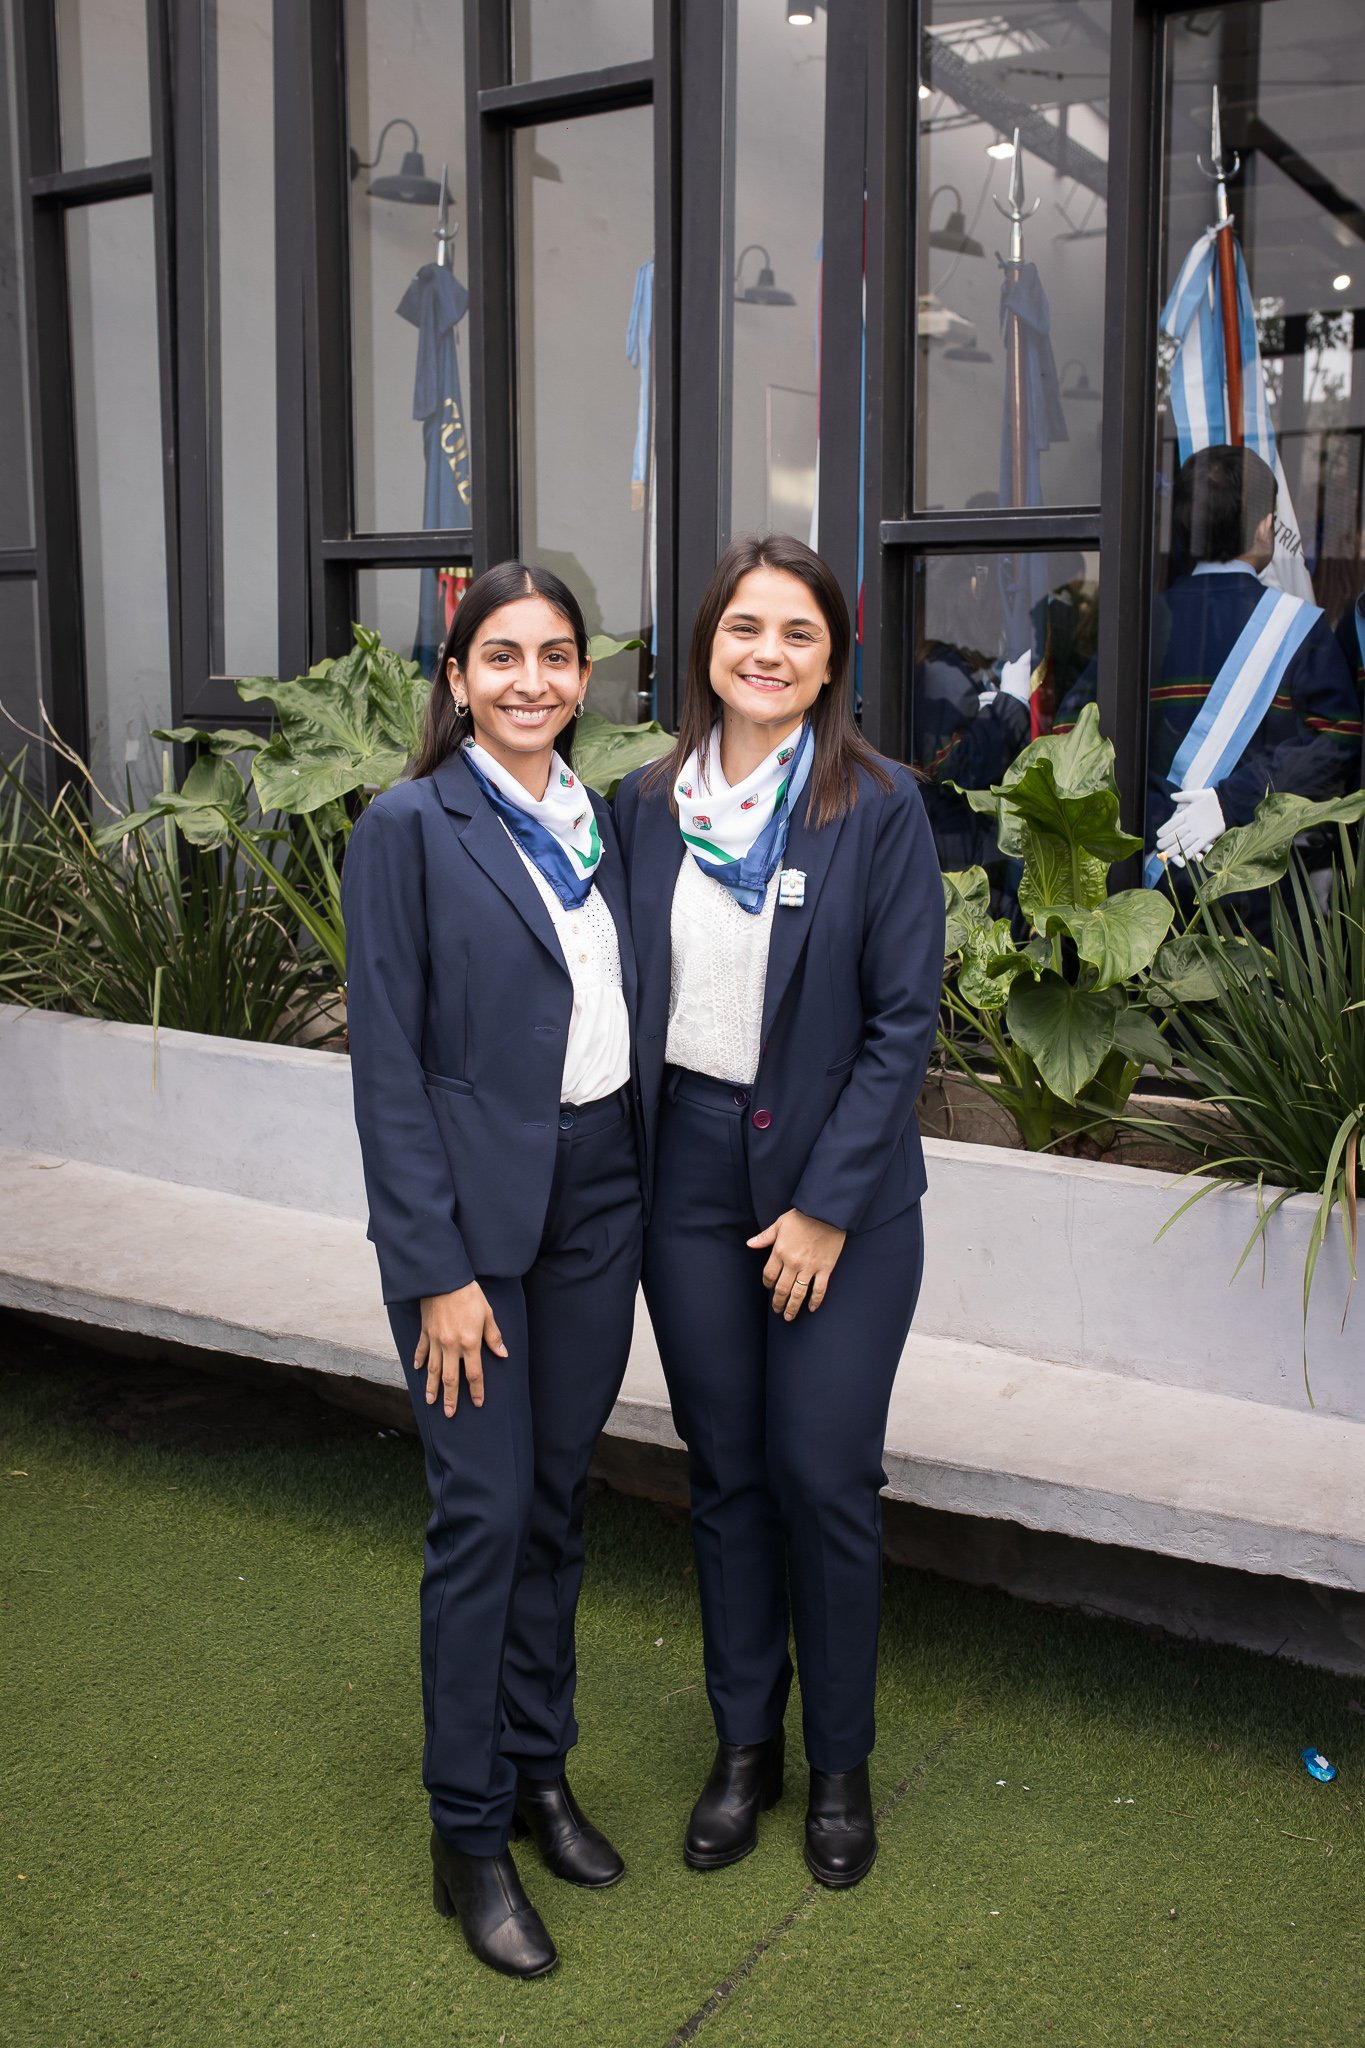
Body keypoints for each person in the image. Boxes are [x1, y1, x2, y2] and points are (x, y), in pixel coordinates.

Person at [613, 533, 945, 1890]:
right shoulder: (642, 804)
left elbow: (902, 1026)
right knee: (729, 1471)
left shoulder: (880, 805)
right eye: (745, 627)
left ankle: (839, 1767)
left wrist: (821, 1205)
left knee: (822, 1473)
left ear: (830, 660)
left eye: (798, 632)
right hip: (687, 1180)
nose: (768, 652)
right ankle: (744, 1747)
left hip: (838, 1194)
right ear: (707, 645)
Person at [341, 562, 642, 1980]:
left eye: (558, 656)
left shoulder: (600, 820)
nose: (534, 680)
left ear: (584, 678)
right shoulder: (408, 827)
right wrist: (435, 1269)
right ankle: (465, 1832)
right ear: (456, 679)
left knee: (557, 1503)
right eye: (503, 656)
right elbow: (388, 1067)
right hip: (467, 1231)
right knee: (483, 1513)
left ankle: (536, 1772)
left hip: (600, 1197)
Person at [1147, 444, 1360, 882]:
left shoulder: (1141, 627)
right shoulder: (1302, 629)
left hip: (1152, 877)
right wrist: (1236, 800)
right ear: (1265, 526)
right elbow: (1339, 742)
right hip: (1263, 891)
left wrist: (1157, 815)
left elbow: (1083, 737)